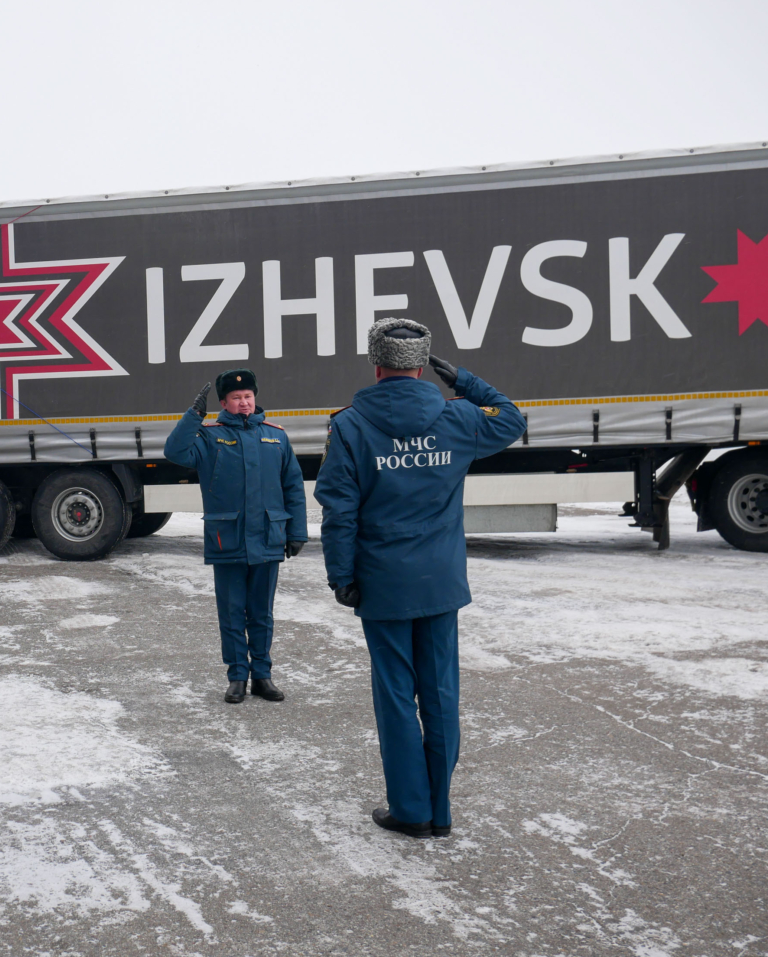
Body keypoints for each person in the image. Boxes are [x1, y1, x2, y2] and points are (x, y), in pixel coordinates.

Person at [314, 318, 524, 838]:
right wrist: (467, 382)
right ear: (423, 364)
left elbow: (339, 510)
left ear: (375, 362)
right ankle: (441, 812)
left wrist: (342, 575)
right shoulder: (458, 419)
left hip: (382, 583)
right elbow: (513, 418)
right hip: (440, 581)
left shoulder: (350, 426)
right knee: (441, 694)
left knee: (395, 697)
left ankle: (411, 810)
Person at [164, 369, 308, 703]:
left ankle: (262, 675)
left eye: (248, 397)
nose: (244, 403)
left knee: (262, 613)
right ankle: (237, 677)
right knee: (231, 613)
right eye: (236, 398)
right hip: (227, 538)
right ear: (224, 403)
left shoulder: (276, 436)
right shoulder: (207, 436)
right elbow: (174, 452)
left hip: (269, 538)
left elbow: (293, 487)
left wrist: (296, 531)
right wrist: (192, 417)